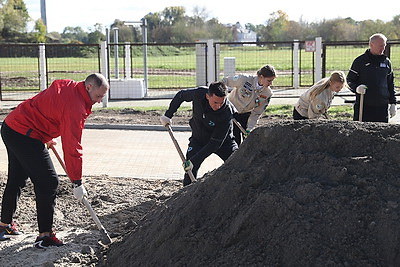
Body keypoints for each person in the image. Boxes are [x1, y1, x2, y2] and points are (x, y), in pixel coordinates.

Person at [0, 73, 109, 248]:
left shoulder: (70, 87)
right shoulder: (76, 107)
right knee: (48, 182)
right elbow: (72, 147)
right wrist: (77, 181)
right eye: (98, 96)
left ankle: (4, 226)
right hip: (24, 134)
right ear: (89, 87)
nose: (98, 101)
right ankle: (45, 235)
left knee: (17, 179)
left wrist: (46, 134)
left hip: (12, 126)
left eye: (102, 97)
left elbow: (47, 104)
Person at [160, 81, 238, 186]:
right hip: (199, 139)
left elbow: (215, 143)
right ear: (207, 96)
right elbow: (180, 96)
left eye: (222, 102)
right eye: (215, 102)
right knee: (190, 171)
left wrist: (195, 161)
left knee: (238, 163)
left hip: (223, 142)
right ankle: (187, 197)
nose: (218, 106)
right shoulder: (199, 93)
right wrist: (168, 115)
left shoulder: (226, 112)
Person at [346, 33, 396, 122]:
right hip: (364, 106)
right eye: (381, 46)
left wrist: (393, 103)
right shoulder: (360, 61)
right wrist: (356, 88)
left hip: (382, 107)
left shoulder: (386, 62)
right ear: (371, 44)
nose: (383, 49)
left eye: (384, 46)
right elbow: (349, 80)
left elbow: (390, 83)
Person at [221, 65, 275, 145]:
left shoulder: (267, 94)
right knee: (234, 140)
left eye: (272, 80)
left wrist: (250, 128)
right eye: (269, 80)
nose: (271, 83)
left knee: (247, 142)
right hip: (231, 111)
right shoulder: (244, 79)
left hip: (246, 115)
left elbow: (256, 113)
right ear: (261, 77)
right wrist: (222, 97)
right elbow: (225, 81)